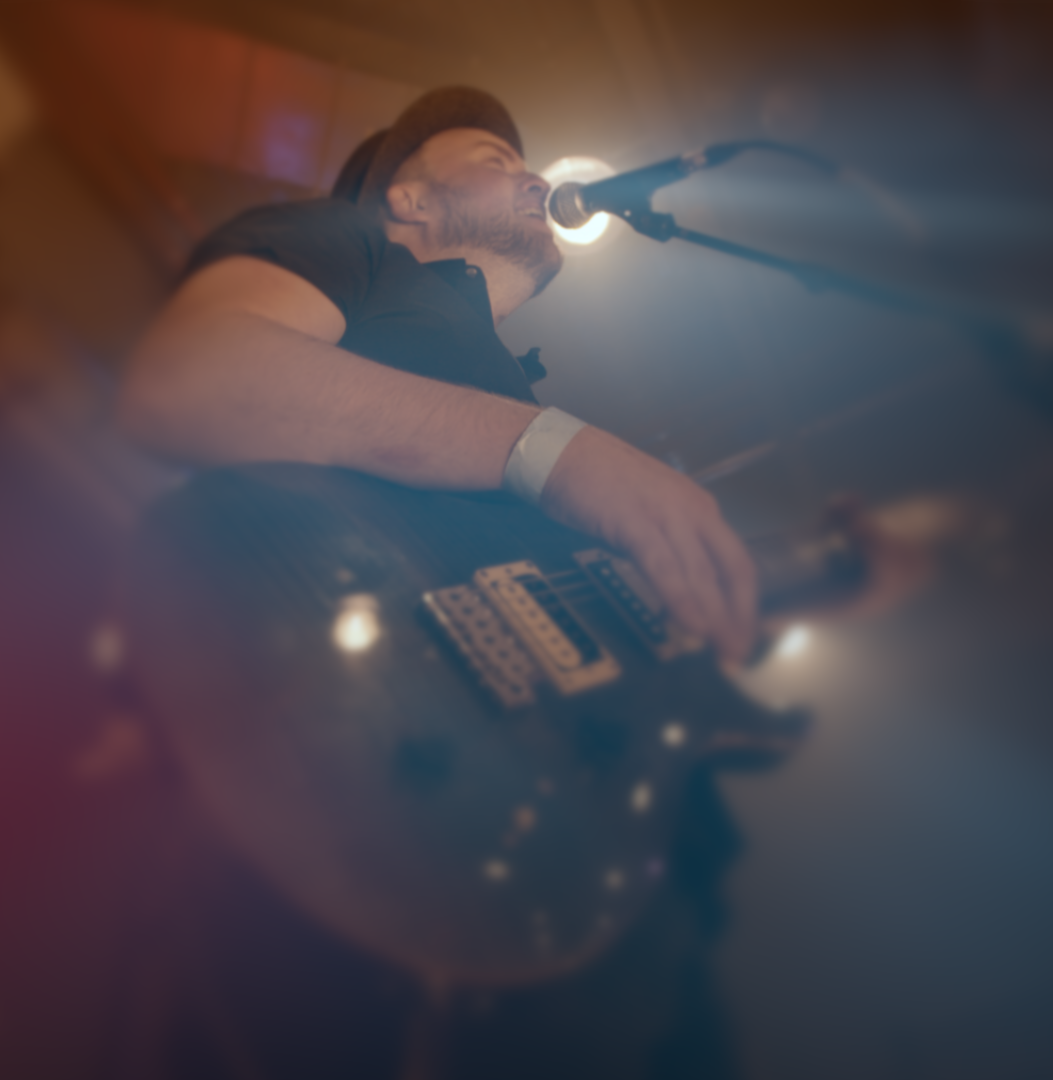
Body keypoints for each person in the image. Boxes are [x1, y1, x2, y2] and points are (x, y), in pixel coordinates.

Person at [116, 87, 754, 1080]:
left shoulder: (504, 382)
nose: (532, 177)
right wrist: (556, 450)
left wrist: (790, 586)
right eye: (494, 160)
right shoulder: (350, 246)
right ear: (406, 201)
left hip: (586, 893)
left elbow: (552, 618)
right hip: (371, 833)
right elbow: (188, 380)